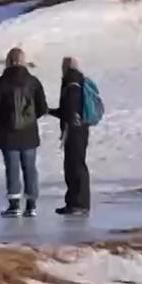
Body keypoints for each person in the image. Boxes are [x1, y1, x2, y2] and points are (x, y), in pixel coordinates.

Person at [0, 47, 50, 217]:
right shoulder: (33, 82)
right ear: (23, 61)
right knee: (30, 167)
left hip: (7, 133)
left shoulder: (1, 82)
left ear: (8, 61)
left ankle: (14, 206)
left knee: (12, 168)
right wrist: (30, 118)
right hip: (29, 132)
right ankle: (31, 206)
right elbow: (43, 107)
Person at [53, 56, 92, 216]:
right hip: (80, 129)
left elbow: (69, 108)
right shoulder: (78, 80)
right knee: (75, 166)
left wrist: (52, 112)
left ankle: (79, 204)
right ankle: (74, 202)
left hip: (75, 130)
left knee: (74, 167)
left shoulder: (72, 82)